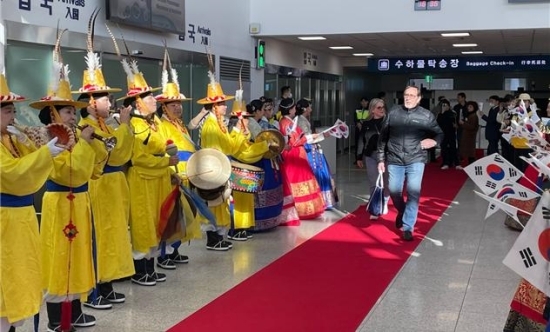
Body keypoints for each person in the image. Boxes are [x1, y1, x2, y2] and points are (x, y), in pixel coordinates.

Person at [29, 55, 100, 330]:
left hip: (80, 200)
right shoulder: (47, 140)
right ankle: (57, 317)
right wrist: (82, 144)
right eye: (68, 111)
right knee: (58, 255)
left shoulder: (74, 136)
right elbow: (70, 173)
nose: (74, 116)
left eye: (73, 111)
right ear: (53, 114)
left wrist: (91, 145)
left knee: (81, 253)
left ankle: (77, 308)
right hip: (60, 202)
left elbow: (94, 170)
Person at [0, 74, 63, 332]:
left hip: (21, 217)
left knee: (23, 272)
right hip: (5, 218)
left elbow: (29, 165)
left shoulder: (11, 138)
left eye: (12, 110)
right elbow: (12, 174)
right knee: (7, 278)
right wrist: (44, 154)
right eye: (6, 111)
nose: (12, 116)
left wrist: (31, 141)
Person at [118, 58, 178, 286]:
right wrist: (164, 162)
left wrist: (169, 165)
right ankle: (140, 269)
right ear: (137, 102)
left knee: (157, 221)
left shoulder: (157, 123)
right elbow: (137, 158)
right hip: (141, 180)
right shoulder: (133, 125)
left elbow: (165, 145)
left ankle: (150, 267)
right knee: (142, 224)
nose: (154, 99)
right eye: (149, 97)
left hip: (159, 179)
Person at [377, 85, 443, 241]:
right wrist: (380, 158)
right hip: (394, 158)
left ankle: (408, 227)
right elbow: (382, 138)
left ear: (419, 98)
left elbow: (439, 133)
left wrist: (433, 141)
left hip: (416, 159)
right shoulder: (393, 113)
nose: (408, 97)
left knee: (413, 192)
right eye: (406, 94)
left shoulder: (426, 115)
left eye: (412, 95)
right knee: (394, 190)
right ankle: (403, 210)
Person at [155, 49, 202, 269]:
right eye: (172, 104)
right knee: (170, 215)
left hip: (186, 172)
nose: (177, 107)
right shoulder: (161, 125)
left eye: (178, 103)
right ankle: (163, 255)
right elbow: (164, 151)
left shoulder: (179, 124)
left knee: (183, 214)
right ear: (163, 106)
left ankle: (174, 251)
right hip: (172, 174)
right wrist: (173, 172)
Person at [278, 98, 325, 224]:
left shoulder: (286, 121)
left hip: (295, 155)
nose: (295, 110)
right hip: (294, 157)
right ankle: (302, 209)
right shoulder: (287, 123)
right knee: (298, 181)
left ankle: (301, 209)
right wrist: (309, 137)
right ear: (290, 109)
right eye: (293, 107)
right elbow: (295, 141)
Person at [296, 98, 335, 209]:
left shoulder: (300, 119)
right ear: (305, 109)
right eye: (309, 107)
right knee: (318, 173)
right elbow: (308, 139)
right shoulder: (301, 121)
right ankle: (320, 200)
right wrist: (322, 135)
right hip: (309, 150)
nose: (311, 109)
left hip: (310, 149)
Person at [355, 98, 390, 218]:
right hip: (370, 155)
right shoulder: (366, 123)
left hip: (386, 155)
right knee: (373, 181)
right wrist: (359, 157)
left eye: (383, 107)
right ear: (372, 110)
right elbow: (361, 140)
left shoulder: (388, 122)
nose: (382, 109)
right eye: (378, 107)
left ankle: (384, 201)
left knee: (386, 182)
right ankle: (375, 207)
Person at [436, 99, 460, 170]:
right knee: (444, 148)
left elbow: (456, 123)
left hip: (451, 133)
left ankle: (456, 163)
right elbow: (438, 123)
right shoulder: (440, 114)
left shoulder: (453, 113)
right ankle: (445, 163)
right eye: (443, 105)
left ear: (449, 106)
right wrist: (442, 113)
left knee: (453, 148)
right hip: (443, 134)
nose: (445, 107)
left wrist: (456, 126)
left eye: (446, 105)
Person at [458, 101, 480, 166]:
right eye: (468, 106)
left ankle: (472, 166)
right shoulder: (470, 115)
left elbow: (472, 126)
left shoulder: (473, 116)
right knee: (469, 153)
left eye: (471, 107)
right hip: (468, 136)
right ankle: (471, 165)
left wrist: (463, 123)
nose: (468, 108)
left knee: (470, 153)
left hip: (470, 137)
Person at [354, 97, 369, 162]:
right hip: (358, 129)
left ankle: (365, 158)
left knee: (366, 144)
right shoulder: (358, 109)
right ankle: (357, 159)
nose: (363, 103)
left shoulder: (369, 110)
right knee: (358, 144)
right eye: (362, 101)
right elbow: (355, 118)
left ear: (367, 102)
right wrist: (357, 123)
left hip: (366, 129)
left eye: (365, 101)